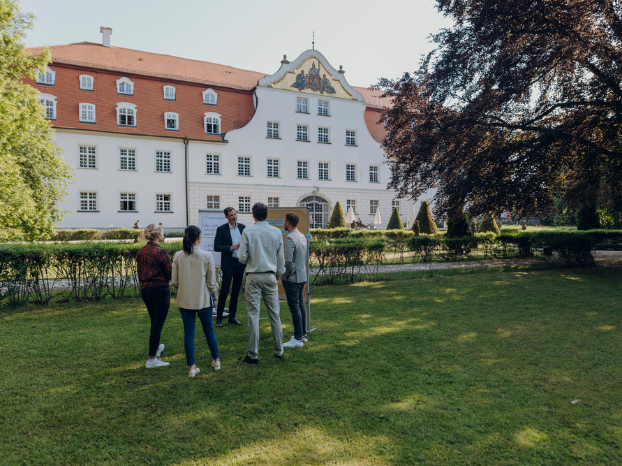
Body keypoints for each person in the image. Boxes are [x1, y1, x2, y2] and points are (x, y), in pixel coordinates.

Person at [237, 202, 285, 364]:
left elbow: (242, 258)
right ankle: (279, 350)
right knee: (275, 315)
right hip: (271, 275)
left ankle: (253, 354)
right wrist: (278, 274)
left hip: (253, 275)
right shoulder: (276, 232)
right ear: (267, 214)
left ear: (253, 215)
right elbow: (280, 257)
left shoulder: (248, 231)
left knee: (253, 316)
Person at [172, 225, 220, 377]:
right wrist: (215, 296)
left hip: (185, 300)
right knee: (209, 330)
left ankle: (192, 367)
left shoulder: (178, 255)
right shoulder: (207, 255)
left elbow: (174, 282)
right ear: (199, 237)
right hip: (203, 300)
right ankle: (216, 360)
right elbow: (211, 282)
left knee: (189, 333)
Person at [136, 223, 172, 369]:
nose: (163, 235)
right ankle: (151, 359)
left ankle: (156, 348)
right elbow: (170, 273)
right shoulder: (160, 252)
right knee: (157, 324)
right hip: (160, 290)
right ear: (157, 235)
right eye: (162, 233)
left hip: (146, 291)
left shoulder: (140, 251)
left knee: (154, 320)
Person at [213, 207, 246, 327]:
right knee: (224, 291)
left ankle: (232, 316)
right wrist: (230, 248)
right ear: (226, 217)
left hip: (240, 262)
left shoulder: (242, 227)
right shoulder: (221, 229)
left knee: (236, 291)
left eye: (235, 214)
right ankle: (219, 318)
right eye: (231, 215)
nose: (234, 217)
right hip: (228, 263)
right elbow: (216, 246)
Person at [281, 212, 309, 348]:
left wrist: (285, 276)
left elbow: (288, 261)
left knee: (295, 308)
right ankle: (302, 334)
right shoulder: (302, 236)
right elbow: (302, 257)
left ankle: (298, 338)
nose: (283, 222)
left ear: (288, 222)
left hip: (293, 277)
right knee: (300, 306)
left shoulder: (289, 238)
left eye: (284, 220)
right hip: (302, 276)